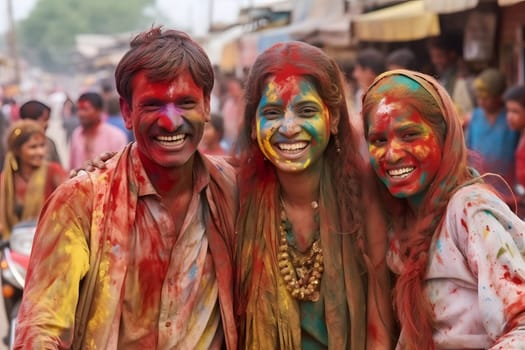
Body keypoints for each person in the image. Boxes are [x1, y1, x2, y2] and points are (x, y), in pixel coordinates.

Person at [14, 27, 238, 349]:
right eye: (153, 105)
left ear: (206, 105)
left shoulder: (234, 190)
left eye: (186, 102)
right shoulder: (82, 202)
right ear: (126, 112)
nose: (171, 122)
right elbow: (41, 327)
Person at [235, 41, 394, 349]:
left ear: (333, 119)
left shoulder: (364, 193)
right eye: (272, 112)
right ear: (254, 125)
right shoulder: (233, 191)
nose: (289, 127)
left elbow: (379, 316)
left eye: (306, 110)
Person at [361, 69, 525, 349]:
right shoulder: (395, 222)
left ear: (445, 135)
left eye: (410, 135)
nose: (392, 153)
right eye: (379, 140)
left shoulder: (468, 211)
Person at [0, 119, 67, 239]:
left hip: (49, 243)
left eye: (42, 146)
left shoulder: (53, 172)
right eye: (33, 147)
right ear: (17, 151)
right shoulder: (7, 179)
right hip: (15, 245)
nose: (40, 152)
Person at [466, 68, 520, 193]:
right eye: (479, 98)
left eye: (486, 98)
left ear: (499, 97)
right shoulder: (475, 116)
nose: (481, 102)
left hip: (508, 187)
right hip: (479, 184)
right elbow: (468, 149)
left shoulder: (511, 117)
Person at [69, 91, 128, 171]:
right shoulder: (76, 134)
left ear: (99, 111)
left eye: (85, 109)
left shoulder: (116, 136)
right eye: (79, 109)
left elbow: (122, 168)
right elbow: (71, 167)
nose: (80, 114)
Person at [427, 33, 476, 124]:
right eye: (433, 57)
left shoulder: (468, 81)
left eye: (439, 56)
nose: (435, 61)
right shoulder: (441, 80)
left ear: (452, 54)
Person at [19, 99, 62, 164]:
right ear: (30, 121)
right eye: (44, 120)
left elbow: (59, 171)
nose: (47, 124)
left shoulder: (49, 143)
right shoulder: (16, 145)